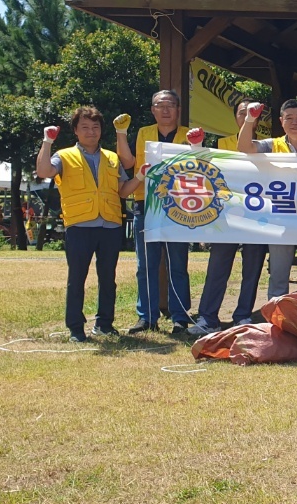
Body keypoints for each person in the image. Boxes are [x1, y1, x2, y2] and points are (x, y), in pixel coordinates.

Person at [37, 107, 138, 342]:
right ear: (75, 130)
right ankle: (75, 328)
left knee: (108, 278)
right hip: (79, 225)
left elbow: (123, 191)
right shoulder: (64, 155)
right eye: (85, 127)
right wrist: (47, 141)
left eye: (95, 127)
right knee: (77, 278)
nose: (91, 132)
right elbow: (43, 171)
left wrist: (141, 176)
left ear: (101, 130)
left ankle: (104, 324)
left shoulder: (112, 158)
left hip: (110, 225)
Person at [237, 98, 297, 300]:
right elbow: (244, 148)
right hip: (279, 218)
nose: (294, 122)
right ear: (281, 121)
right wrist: (250, 120)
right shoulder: (272, 145)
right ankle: (277, 317)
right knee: (278, 276)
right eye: (289, 118)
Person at [189, 100, 267, 333]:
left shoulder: (267, 145)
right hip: (226, 215)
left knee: (252, 269)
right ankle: (207, 317)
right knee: (218, 267)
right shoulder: (221, 144)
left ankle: (243, 315)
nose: (247, 116)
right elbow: (206, 172)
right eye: (242, 112)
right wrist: (197, 147)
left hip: (257, 215)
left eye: (251, 112)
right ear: (235, 117)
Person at [117, 89, 191, 334]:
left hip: (179, 206)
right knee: (145, 265)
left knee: (177, 264)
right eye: (160, 105)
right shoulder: (143, 133)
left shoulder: (189, 135)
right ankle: (147, 317)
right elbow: (129, 163)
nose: (165, 109)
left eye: (170, 105)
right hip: (146, 204)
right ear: (153, 110)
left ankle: (180, 317)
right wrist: (120, 134)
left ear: (178, 109)